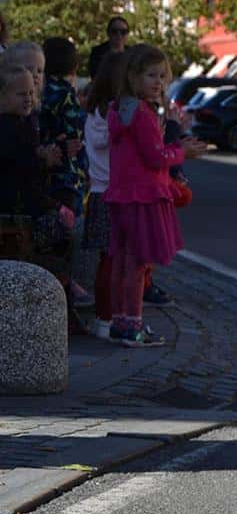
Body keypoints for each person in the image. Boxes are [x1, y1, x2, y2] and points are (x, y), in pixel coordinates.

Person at [105, 45, 204, 347]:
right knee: (137, 262)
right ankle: (132, 324)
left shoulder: (119, 108)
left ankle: (118, 320)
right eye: (151, 75)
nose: (158, 82)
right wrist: (181, 151)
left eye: (162, 76)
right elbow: (155, 156)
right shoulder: (143, 114)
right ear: (133, 76)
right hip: (144, 196)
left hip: (121, 194)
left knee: (121, 261)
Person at [40, 37, 91, 311]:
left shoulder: (40, 91)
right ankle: (66, 292)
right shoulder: (65, 94)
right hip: (65, 175)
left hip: (45, 172)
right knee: (68, 234)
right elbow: (75, 139)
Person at [0, 63, 70, 257]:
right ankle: (51, 276)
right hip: (14, 202)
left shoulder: (25, 123)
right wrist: (44, 161)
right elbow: (22, 168)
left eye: (31, 93)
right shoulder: (8, 127)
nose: (29, 99)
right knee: (60, 227)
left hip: (22, 196)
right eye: (21, 94)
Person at [82, 51, 127, 338]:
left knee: (108, 260)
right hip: (113, 192)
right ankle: (107, 317)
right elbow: (106, 142)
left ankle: (106, 317)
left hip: (101, 192)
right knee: (113, 261)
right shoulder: (112, 113)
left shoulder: (94, 111)